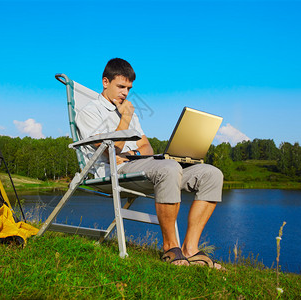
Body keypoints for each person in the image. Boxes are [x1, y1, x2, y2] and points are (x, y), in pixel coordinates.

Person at [75, 58, 224, 268]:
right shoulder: (90, 112)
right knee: (169, 168)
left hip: (138, 164)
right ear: (105, 82)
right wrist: (125, 118)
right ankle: (171, 249)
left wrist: (131, 152)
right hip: (113, 171)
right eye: (121, 86)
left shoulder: (127, 110)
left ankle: (190, 249)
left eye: (129, 88)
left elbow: (148, 149)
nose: (125, 93)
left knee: (211, 174)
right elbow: (111, 149)